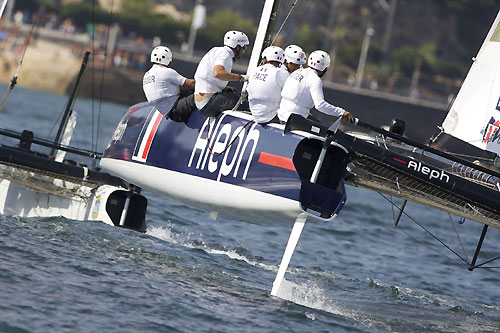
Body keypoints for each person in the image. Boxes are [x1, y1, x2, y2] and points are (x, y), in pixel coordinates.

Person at [277, 50, 353, 126]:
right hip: (294, 120)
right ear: (325, 69)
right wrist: (341, 112)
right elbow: (320, 105)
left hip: (281, 115)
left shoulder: (297, 72)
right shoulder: (315, 79)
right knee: (325, 133)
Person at [194, 30, 249, 117]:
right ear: (238, 47)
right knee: (245, 105)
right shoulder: (225, 55)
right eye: (244, 48)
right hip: (208, 103)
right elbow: (218, 73)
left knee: (233, 94)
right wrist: (241, 78)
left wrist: (224, 88)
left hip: (202, 102)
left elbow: (209, 75)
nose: (244, 51)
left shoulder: (216, 50)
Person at [143, 46, 196, 121]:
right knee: (205, 94)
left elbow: (180, 88)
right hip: (178, 109)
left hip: (171, 114)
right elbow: (191, 84)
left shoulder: (147, 75)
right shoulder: (166, 71)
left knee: (192, 91)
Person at [246, 46, 288, 124]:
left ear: (265, 58)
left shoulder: (255, 70)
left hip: (255, 114)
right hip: (270, 117)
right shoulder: (281, 73)